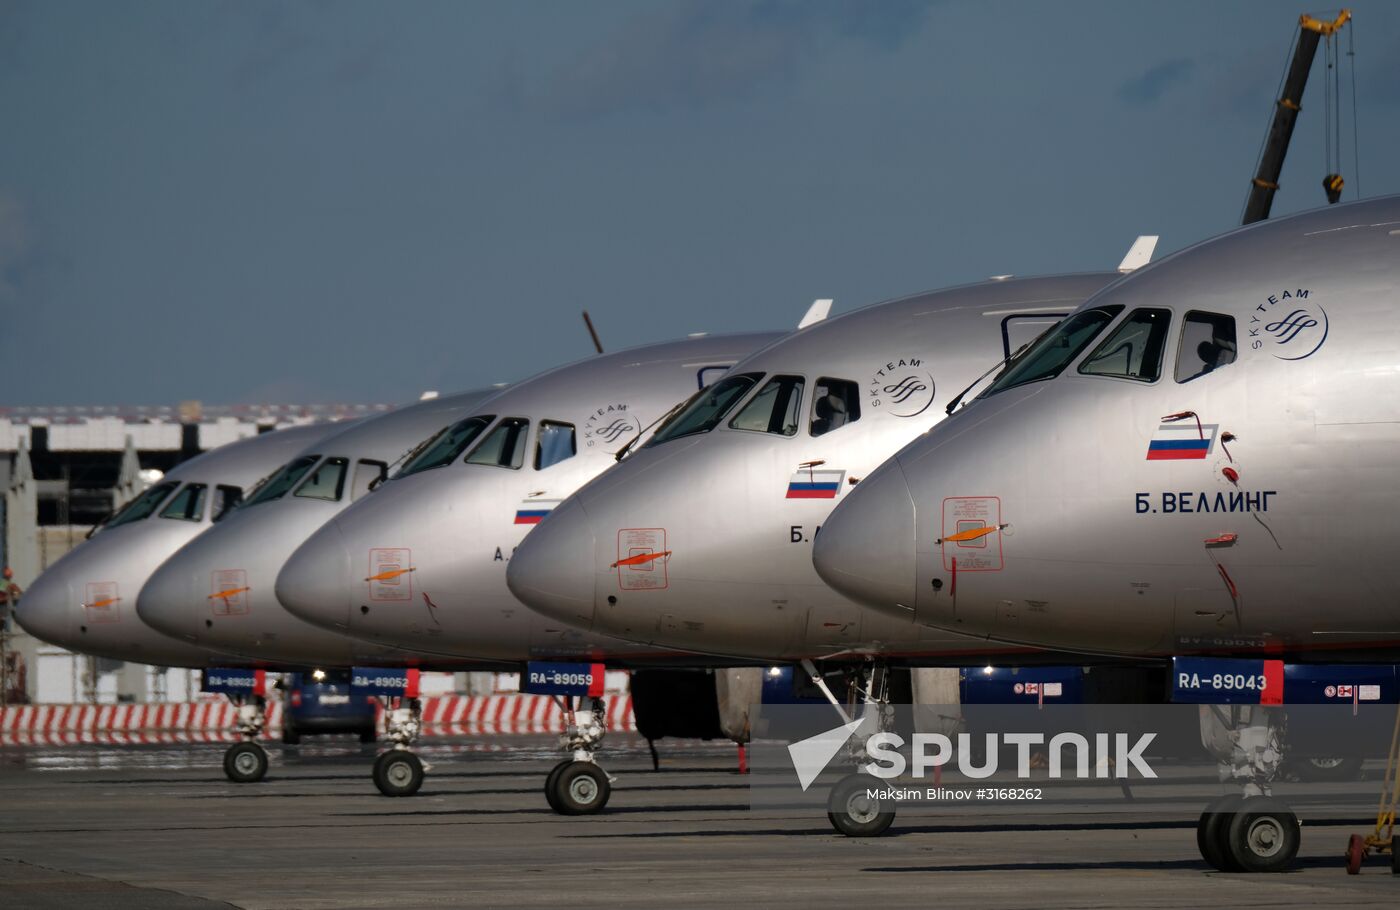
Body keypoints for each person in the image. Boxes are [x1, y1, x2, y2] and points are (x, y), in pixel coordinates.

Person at [0, 567, 21, 632]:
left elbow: (15, 592)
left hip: (4, 602)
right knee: (3, 617)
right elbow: (15, 592)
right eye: (10, 576)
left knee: (3, 617)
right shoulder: (9, 584)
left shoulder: (4, 582)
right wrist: (14, 594)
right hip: (4, 602)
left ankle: (1, 631)